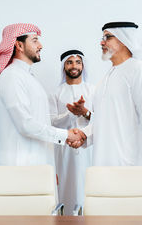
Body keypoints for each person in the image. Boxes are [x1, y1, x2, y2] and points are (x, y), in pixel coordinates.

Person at [0, 23, 86, 167]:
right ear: (19, 45)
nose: (40, 45)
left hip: (36, 164)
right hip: (20, 165)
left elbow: (41, 121)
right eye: (35, 40)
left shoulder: (28, 77)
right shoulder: (11, 76)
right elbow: (25, 125)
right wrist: (66, 135)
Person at [83, 21, 142, 166]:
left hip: (130, 167)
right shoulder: (107, 76)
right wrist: (84, 135)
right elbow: (106, 120)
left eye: (108, 37)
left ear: (124, 40)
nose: (102, 42)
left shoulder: (141, 71)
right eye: (102, 38)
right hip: (102, 163)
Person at [49, 49, 95, 215]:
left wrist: (85, 112)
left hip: (89, 147)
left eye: (77, 62)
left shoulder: (93, 90)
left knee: (88, 185)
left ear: (83, 65)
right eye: (69, 62)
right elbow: (52, 122)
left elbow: (103, 120)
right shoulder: (55, 93)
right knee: (66, 186)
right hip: (64, 149)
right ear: (64, 67)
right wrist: (71, 114)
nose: (74, 66)